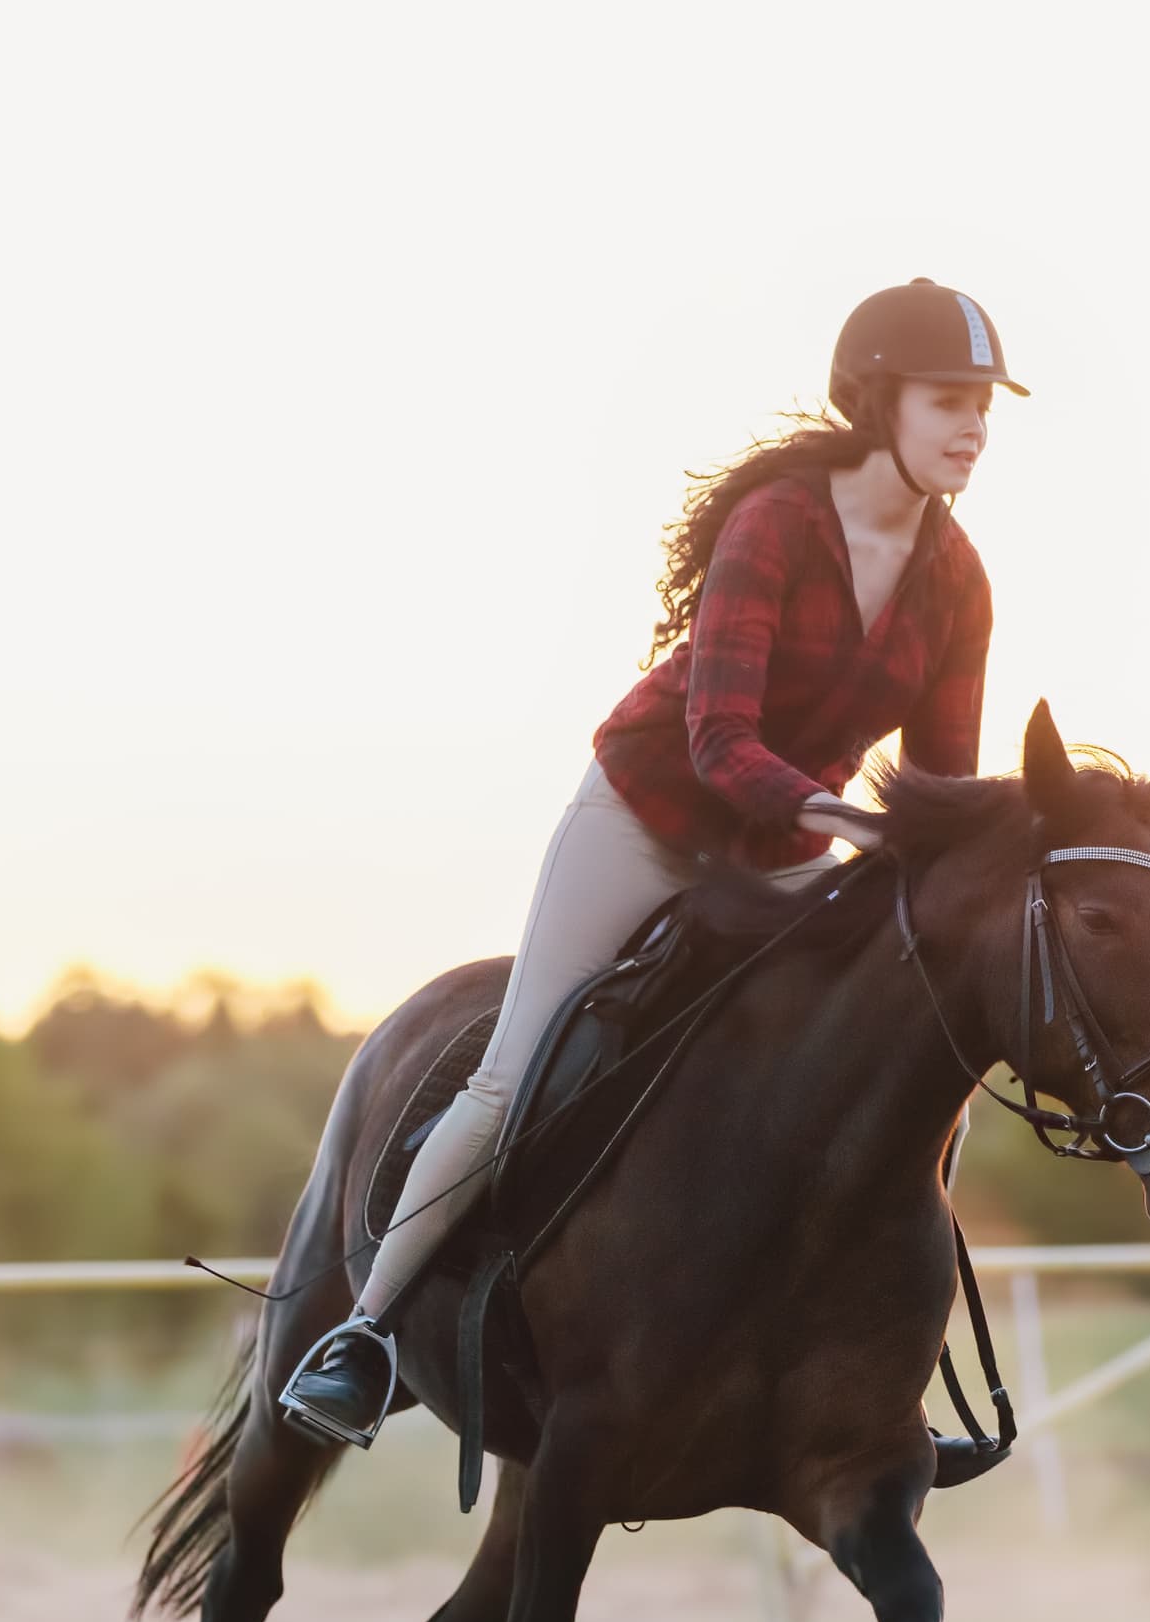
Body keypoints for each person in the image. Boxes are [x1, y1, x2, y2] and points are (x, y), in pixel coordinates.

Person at [278, 279, 1023, 1446]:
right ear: (877, 401)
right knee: (511, 1071)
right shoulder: (776, 523)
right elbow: (719, 741)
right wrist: (845, 820)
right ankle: (364, 1338)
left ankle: (871, 1366)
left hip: (786, 850)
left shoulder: (960, 578)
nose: (974, 426)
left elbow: (935, 787)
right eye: (949, 401)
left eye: (984, 404)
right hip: (647, 814)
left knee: (914, 1077)